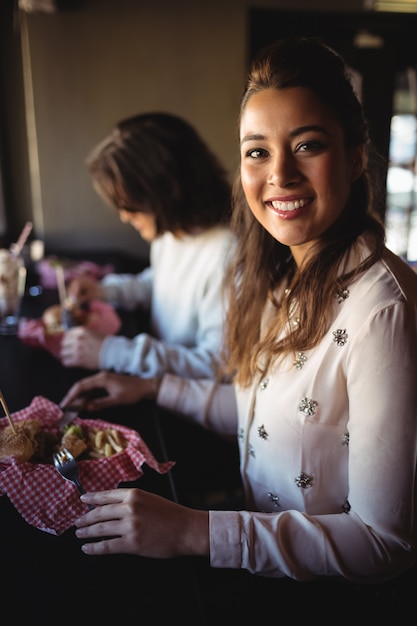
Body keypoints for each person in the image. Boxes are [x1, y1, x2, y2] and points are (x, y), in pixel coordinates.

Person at [60, 37, 417, 587]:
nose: (280, 174)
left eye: (307, 145)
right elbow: (261, 420)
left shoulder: (384, 311)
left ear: (354, 158)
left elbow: (382, 542)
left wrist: (192, 532)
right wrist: (154, 389)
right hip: (262, 558)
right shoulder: (286, 276)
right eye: (257, 151)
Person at [60, 112, 234, 379]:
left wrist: (113, 352)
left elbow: (216, 366)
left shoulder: (228, 253)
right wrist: (105, 290)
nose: (124, 216)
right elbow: (163, 286)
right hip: (157, 377)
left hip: (183, 404)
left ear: (164, 191)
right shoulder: (172, 230)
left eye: (130, 204)